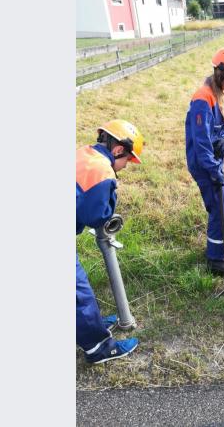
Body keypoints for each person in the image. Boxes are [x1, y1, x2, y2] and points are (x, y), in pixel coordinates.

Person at [76, 119, 145, 364]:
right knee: (78, 293)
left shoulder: (84, 154)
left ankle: (89, 324)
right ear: (118, 150)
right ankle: (99, 348)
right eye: (128, 160)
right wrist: (111, 193)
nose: (126, 165)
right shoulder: (103, 172)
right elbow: (98, 217)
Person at [184, 47, 224, 276]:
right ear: (221, 74)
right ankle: (214, 259)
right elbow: (200, 144)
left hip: (214, 162)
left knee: (220, 207)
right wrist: (213, 171)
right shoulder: (203, 98)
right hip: (204, 164)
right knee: (221, 210)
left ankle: (218, 245)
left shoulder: (220, 93)